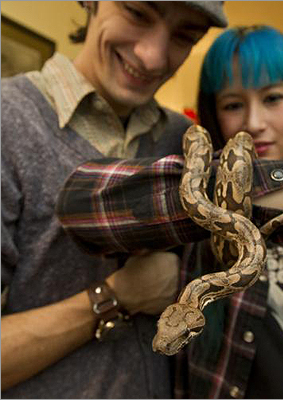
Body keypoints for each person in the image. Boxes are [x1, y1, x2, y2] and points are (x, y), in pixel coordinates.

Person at [55, 26, 283, 399]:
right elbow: (80, 204)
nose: (254, 122)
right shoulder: (191, 236)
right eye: (233, 104)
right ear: (213, 113)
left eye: (273, 97)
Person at [1, 1, 228, 398]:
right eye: (137, 13)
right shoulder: (8, 120)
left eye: (184, 36)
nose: (153, 57)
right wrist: (115, 297)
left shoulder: (185, 139)